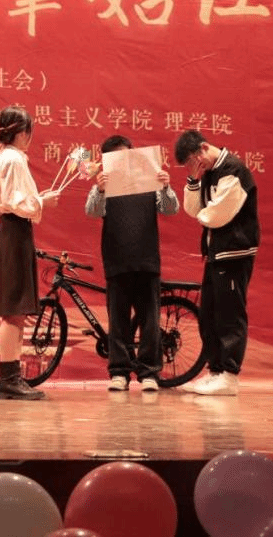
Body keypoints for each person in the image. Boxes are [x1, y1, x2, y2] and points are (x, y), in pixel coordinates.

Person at [85, 135, 179, 393]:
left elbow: (170, 209)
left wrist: (165, 187)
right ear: (107, 160)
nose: (122, 160)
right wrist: (100, 190)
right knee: (118, 321)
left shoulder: (149, 180)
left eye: (126, 154)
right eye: (116, 156)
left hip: (147, 260)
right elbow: (92, 211)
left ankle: (149, 373)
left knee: (150, 321)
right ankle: (119, 373)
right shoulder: (105, 184)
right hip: (116, 260)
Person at [174, 129, 259, 396]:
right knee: (209, 314)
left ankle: (229, 375)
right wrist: (193, 180)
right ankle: (215, 371)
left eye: (192, 161)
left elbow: (217, 215)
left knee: (230, 314)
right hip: (215, 253)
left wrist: (203, 214)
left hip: (234, 252)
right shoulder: (209, 172)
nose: (193, 167)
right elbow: (193, 210)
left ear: (203, 148)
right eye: (188, 166)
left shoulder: (233, 170)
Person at [0, 106, 59, 400]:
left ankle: (11, 376)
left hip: (12, 230)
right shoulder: (14, 159)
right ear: (22, 133)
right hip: (15, 231)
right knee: (13, 310)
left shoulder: (4, 157)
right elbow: (17, 203)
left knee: (14, 310)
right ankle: (9, 378)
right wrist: (42, 203)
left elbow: (8, 201)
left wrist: (38, 200)